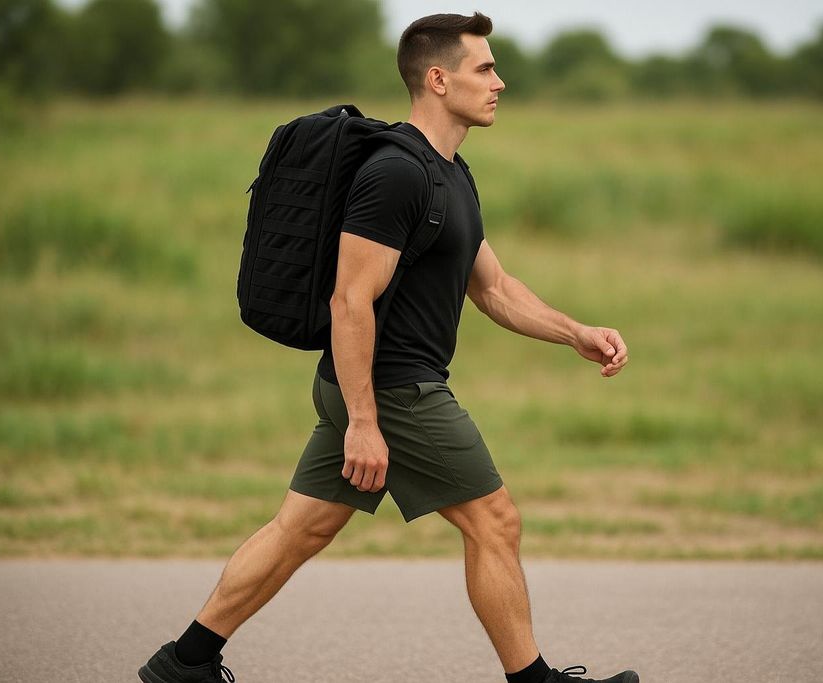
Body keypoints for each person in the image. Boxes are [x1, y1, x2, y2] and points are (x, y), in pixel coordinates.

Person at [138, 11, 634, 683]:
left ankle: (185, 660)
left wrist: (576, 332)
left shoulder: (451, 173)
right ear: (438, 78)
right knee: (495, 520)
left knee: (301, 528)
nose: (500, 83)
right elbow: (350, 301)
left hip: (371, 387)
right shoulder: (396, 174)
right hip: (395, 388)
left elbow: (493, 288)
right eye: (484, 68)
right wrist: (366, 421)